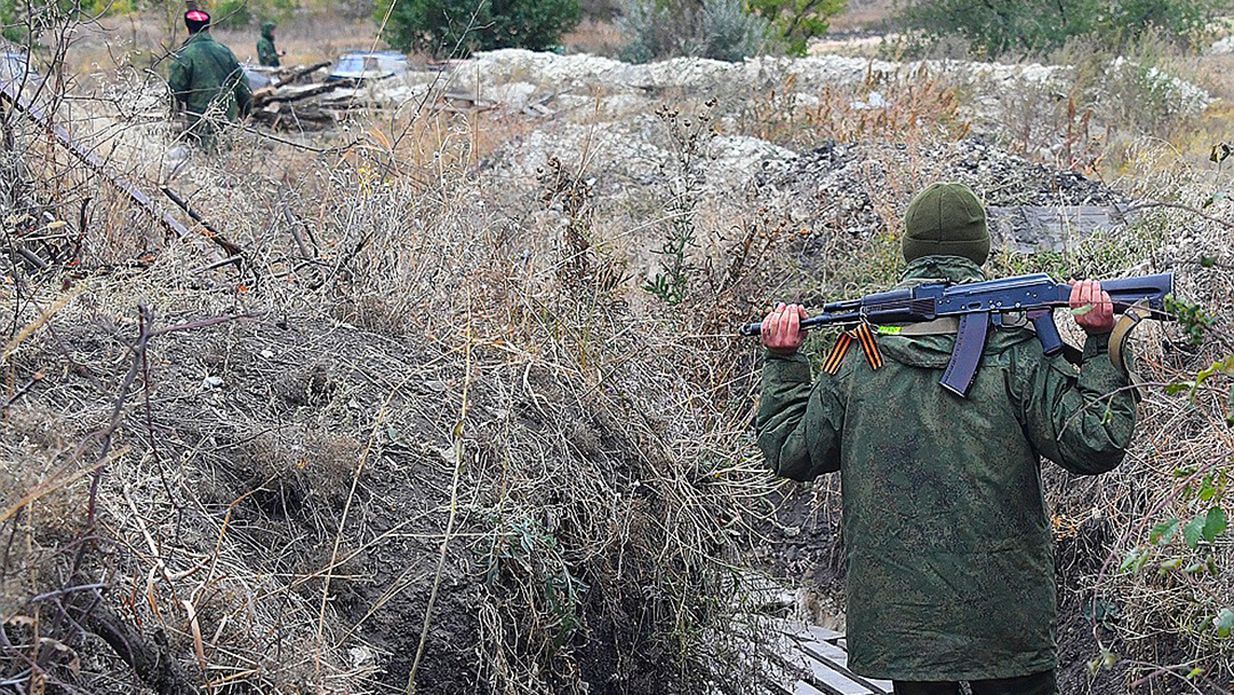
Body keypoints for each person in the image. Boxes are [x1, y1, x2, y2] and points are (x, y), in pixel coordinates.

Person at [756, 182, 1138, 695]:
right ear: (980, 249)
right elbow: (1095, 439)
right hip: (1006, 619)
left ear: (908, 250)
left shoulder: (857, 358)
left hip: (904, 622)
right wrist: (1099, 341)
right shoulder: (1017, 353)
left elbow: (791, 450)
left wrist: (784, 361)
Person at [168, 9, 252, 147]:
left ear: (188, 27)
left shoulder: (185, 55)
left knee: (203, 157)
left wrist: (171, 115)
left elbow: (175, 91)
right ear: (208, 27)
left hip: (199, 122)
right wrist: (246, 112)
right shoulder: (224, 51)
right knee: (225, 155)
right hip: (227, 119)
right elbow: (243, 86)